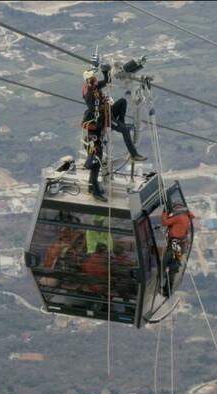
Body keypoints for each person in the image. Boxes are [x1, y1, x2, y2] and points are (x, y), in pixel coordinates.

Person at [82, 65, 146, 201]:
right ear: (89, 80)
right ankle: (93, 189)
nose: (95, 80)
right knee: (96, 161)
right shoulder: (88, 93)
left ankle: (120, 123)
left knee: (122, 102)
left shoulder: (94, 87)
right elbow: (93, 108)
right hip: (102, 121)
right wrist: (105, 104)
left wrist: (106, 72)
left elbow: (106, 81)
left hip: (106, 115)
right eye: (93, 78)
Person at [160, 201, 196, 295]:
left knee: (165, 262)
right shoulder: (186, 217)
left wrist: (164, 212)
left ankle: (160, 280)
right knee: (174, 266)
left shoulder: (179, 216)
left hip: (175, 243)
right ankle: (167, 289)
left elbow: (165, 222)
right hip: (181, 244)